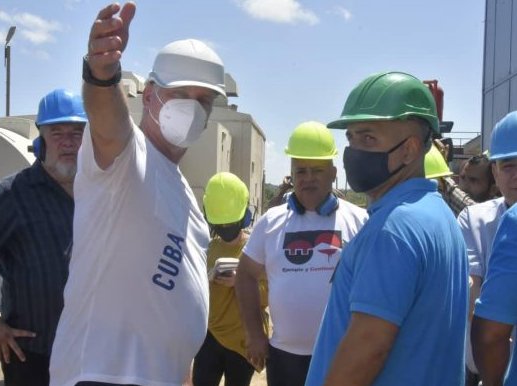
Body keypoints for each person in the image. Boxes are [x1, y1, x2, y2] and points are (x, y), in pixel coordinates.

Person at [49, 3, 227, 386]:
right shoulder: (129, 159)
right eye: (181, 94)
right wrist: (102, 75)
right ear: (148, 95)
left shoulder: (184, 195)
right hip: (102, 376)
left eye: (204, 100)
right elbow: (108, 124)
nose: (193, 109)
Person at [305, 72, 468, 386]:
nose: (354, 151)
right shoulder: (438, 214)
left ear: (409, 150)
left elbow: (368, 348)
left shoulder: (394, 228)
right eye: (351, 138)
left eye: (368, 138)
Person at [0, 88, 86, 386]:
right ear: (41, 138)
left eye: (77, 132)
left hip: (90, 353)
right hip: (34, 357)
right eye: (57, 131)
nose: (68, 142)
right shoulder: (10, 194)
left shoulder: (98, 192)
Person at [235, 121, 367, 386]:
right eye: (300, 171)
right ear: (291, 174)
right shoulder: (270, 222)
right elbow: (245, 274)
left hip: (340, 354)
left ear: (333, 172)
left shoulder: (360, 221)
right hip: (284, 358)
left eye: (316, 170)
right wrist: (254, 333)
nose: (307, 178)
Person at [192, 172, 268, 386]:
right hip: (210, 337)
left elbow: (268, 295)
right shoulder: (209, 248)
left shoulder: (255, 250)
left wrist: (240, 283)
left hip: (242, 341)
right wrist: (207, 279)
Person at [468, 111, 517, 386]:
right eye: (509, 166)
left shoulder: (514, 222)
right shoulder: (474, 219)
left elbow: (489, 335)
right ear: (494, 171)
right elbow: (471, 282)